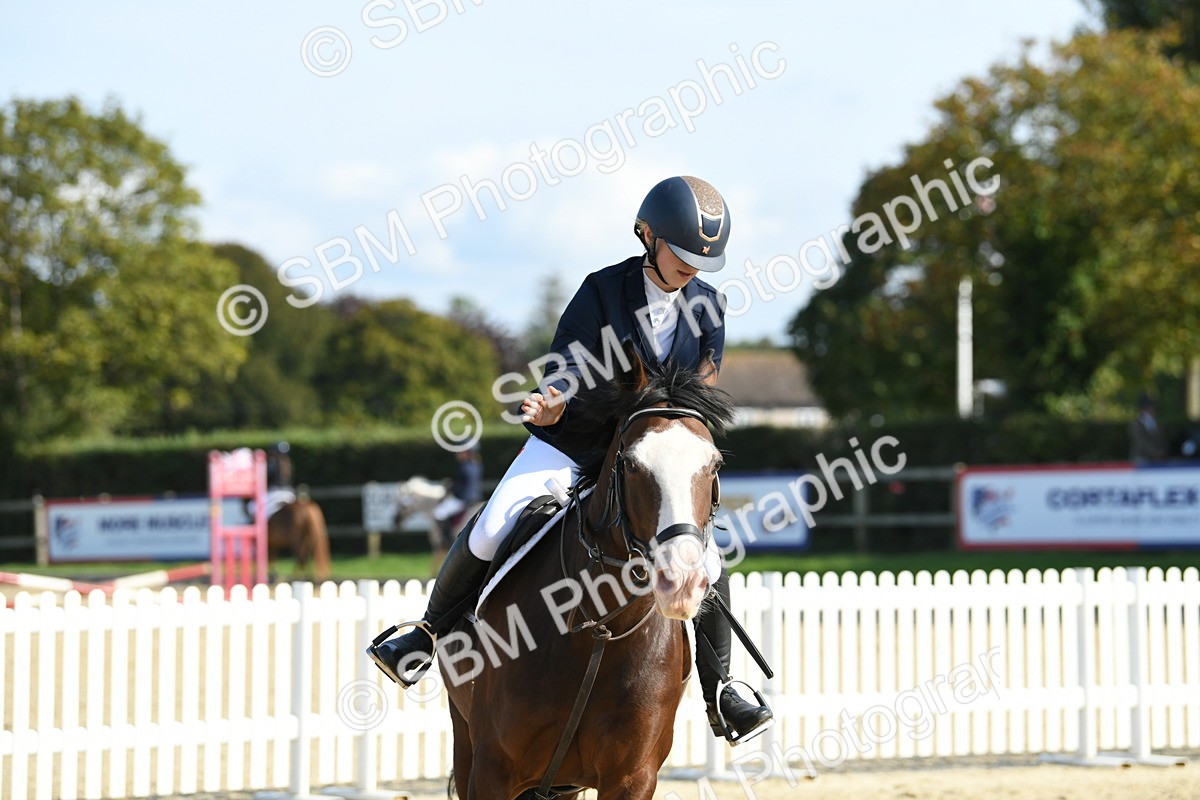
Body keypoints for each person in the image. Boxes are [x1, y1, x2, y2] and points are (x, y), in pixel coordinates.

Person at [367, 176, 773, 743]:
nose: (692, 270)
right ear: (647, 235)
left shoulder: (707, 306)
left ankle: (723, 690)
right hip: (574, 441)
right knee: (493, 525)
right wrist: (554, 399)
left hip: (649, 457)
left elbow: (700, 387)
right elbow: (567, 363)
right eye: (681, 255)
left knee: (705, 554)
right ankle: (426, 634)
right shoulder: (602, 291)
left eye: (701, 261)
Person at [1130, 392, 1167, 463]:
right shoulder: (1136, 424)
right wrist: (1155, 452)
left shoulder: (1156, 423)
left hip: (1156, 459)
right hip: (1141, 458)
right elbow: (1140, 442)